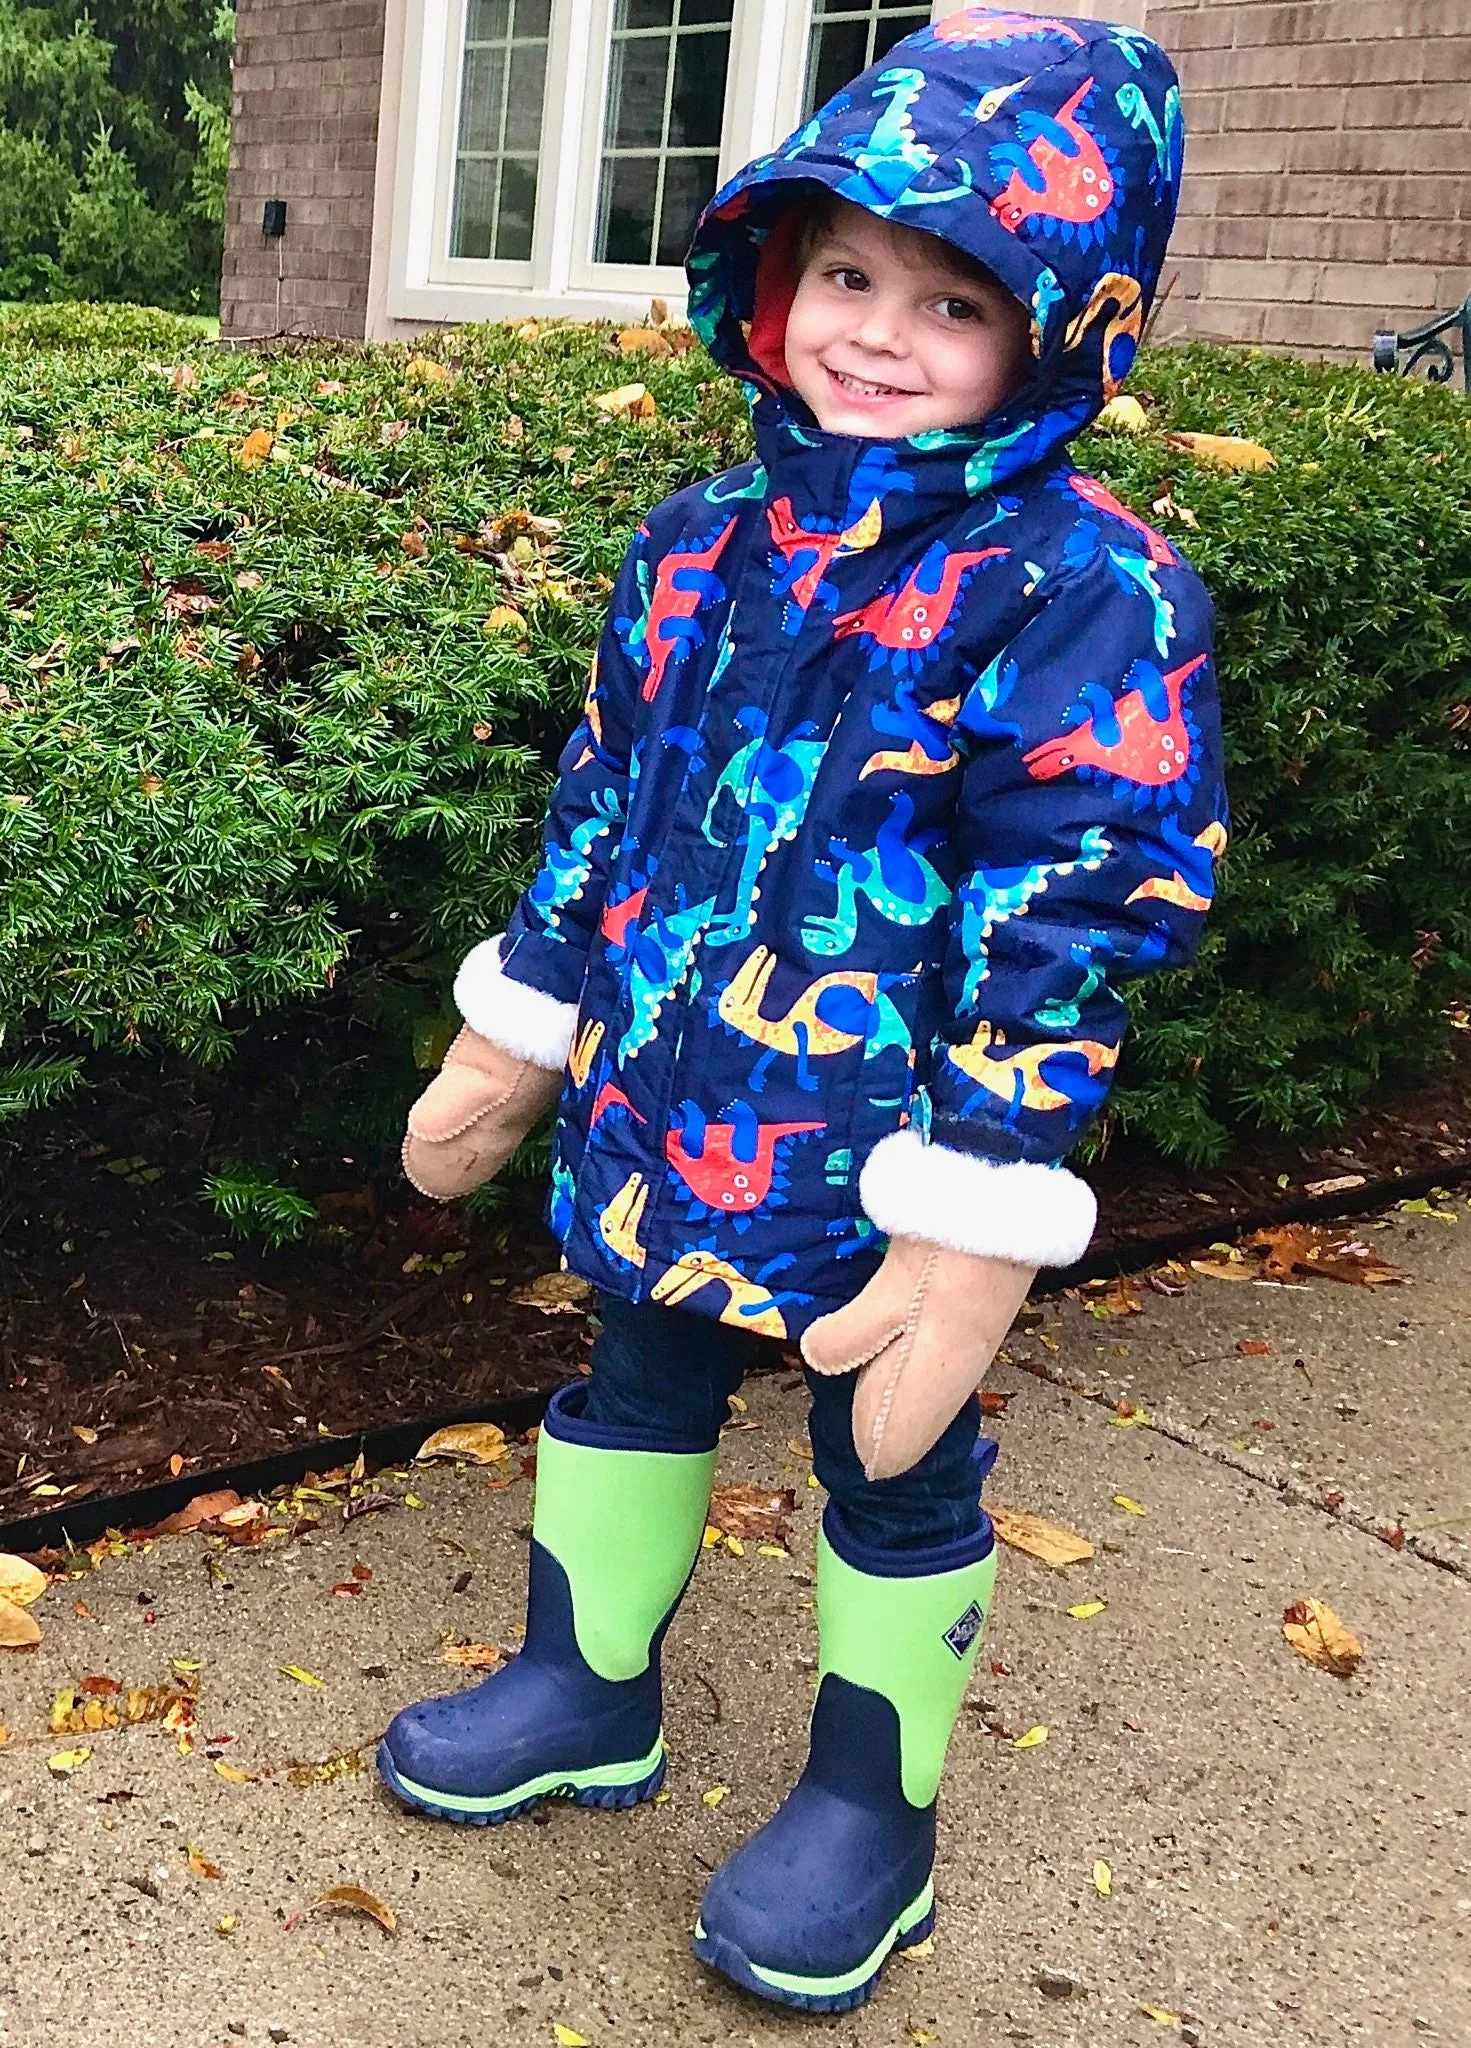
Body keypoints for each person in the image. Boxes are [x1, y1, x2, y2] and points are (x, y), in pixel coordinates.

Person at [380, 5, 1227, 2015]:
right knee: (630, 1380)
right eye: (846, 270)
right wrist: (523, 1026)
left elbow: (1082, 905)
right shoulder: (701, 546)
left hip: (893, 1161)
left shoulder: (1089, 593)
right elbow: (607, 804)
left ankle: (875, 1803)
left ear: (1061, 336)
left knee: (895, 1453)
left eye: (951, 298)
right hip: (673, 1106)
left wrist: (979, 1214)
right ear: (770, 275)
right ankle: (588, 1685)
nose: (872, 328)